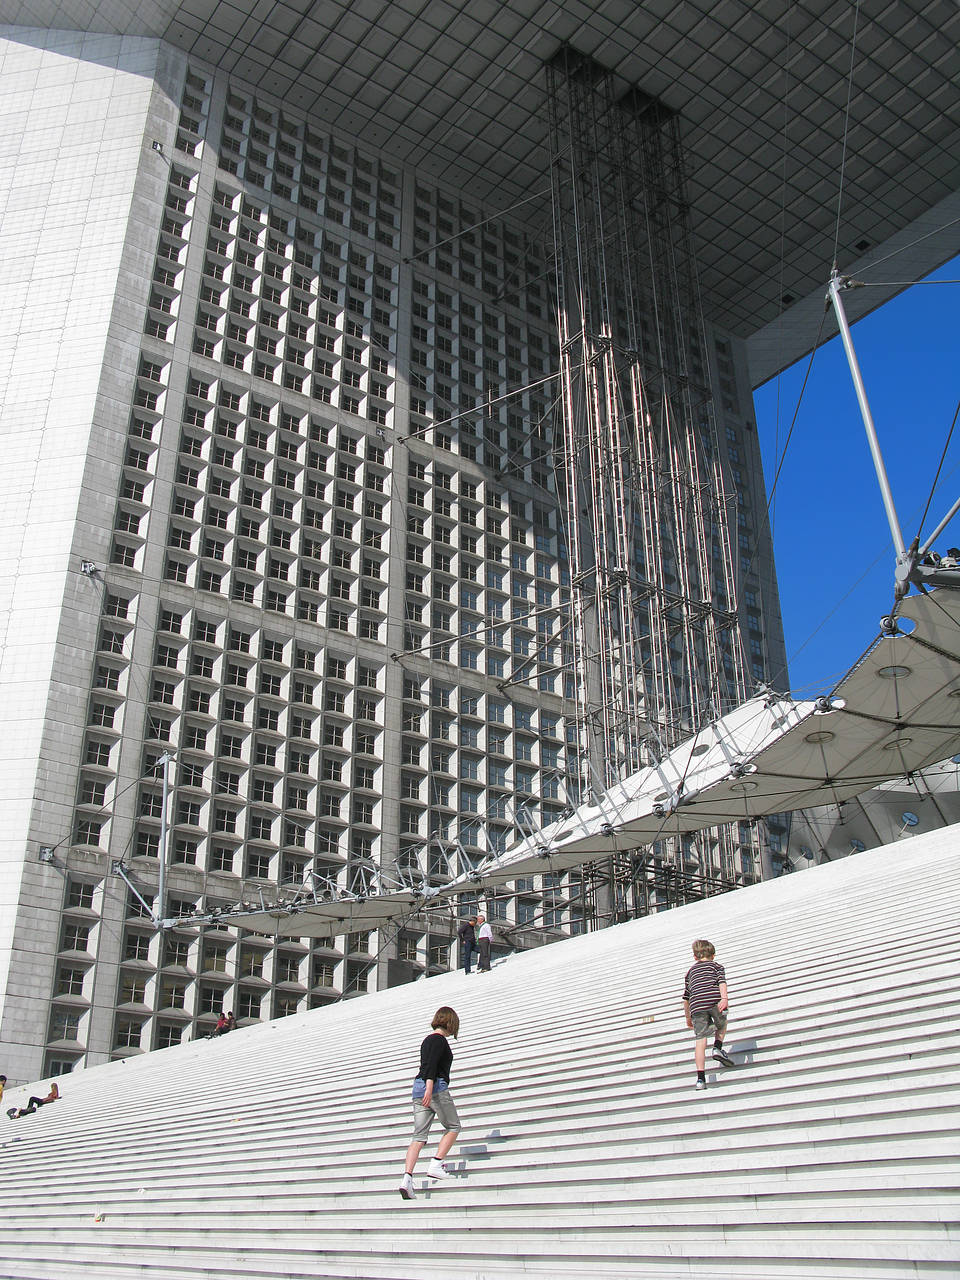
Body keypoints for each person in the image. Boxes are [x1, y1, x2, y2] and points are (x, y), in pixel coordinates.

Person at [399, 1006, 462, 1200]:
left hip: (418, 1089)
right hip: (433, 1088)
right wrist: (429, 1088)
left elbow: (426, 1064)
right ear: (451, 1022)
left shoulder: (427, 1040)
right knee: (453, 1126)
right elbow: (432, 1066)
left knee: (418, 1136)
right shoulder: (439, 1040)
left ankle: (407, 1179)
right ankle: (436, 1163)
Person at [683, 939, 735, 1090]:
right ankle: (717, 1047)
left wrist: (688, 1017)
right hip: (713, 1001)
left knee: (700, 1039)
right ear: (713, 955)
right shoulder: (717, 966)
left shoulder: (690, 972)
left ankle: (700, 1079)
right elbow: (721, 982)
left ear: (695, 957)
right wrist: (724, 998)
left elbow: (686, 996)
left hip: (696, 1006)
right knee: (722, 1023)